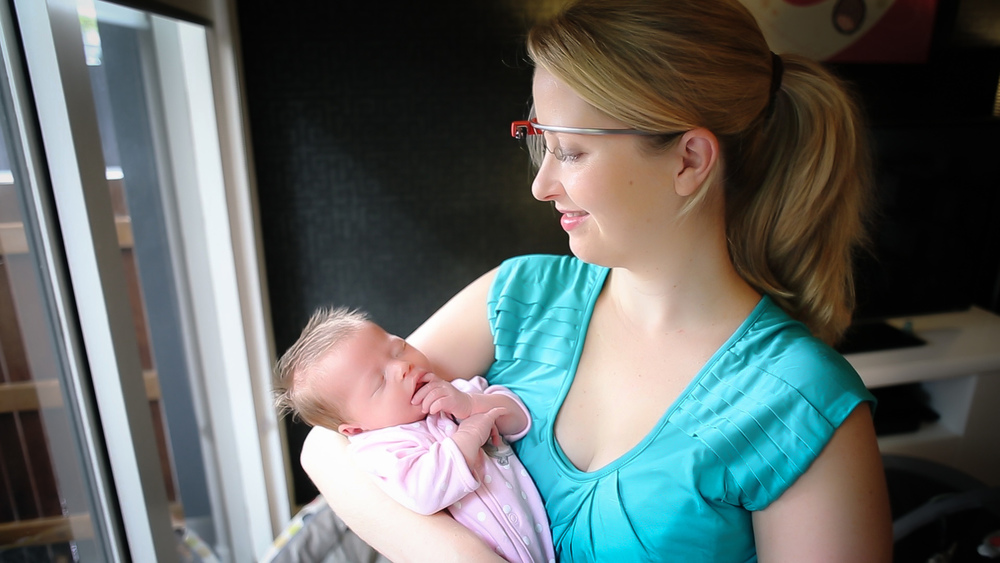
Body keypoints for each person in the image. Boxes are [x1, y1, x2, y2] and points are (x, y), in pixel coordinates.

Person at [299, 0, 894, 560]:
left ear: (688, 160)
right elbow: (329, 440)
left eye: (573, 152)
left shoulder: (800, 404)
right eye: (542, 145)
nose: (542, 185)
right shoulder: (518, 297)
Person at [273, 307, 556, 563]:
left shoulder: (455, 392)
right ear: (356, 428)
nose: (402, 367)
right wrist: (468, 433)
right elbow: (426, 491)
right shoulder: (381, 450)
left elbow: (519, 420)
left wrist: (470, 404)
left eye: (399, 349)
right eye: (380, 381)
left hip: (543, 537)